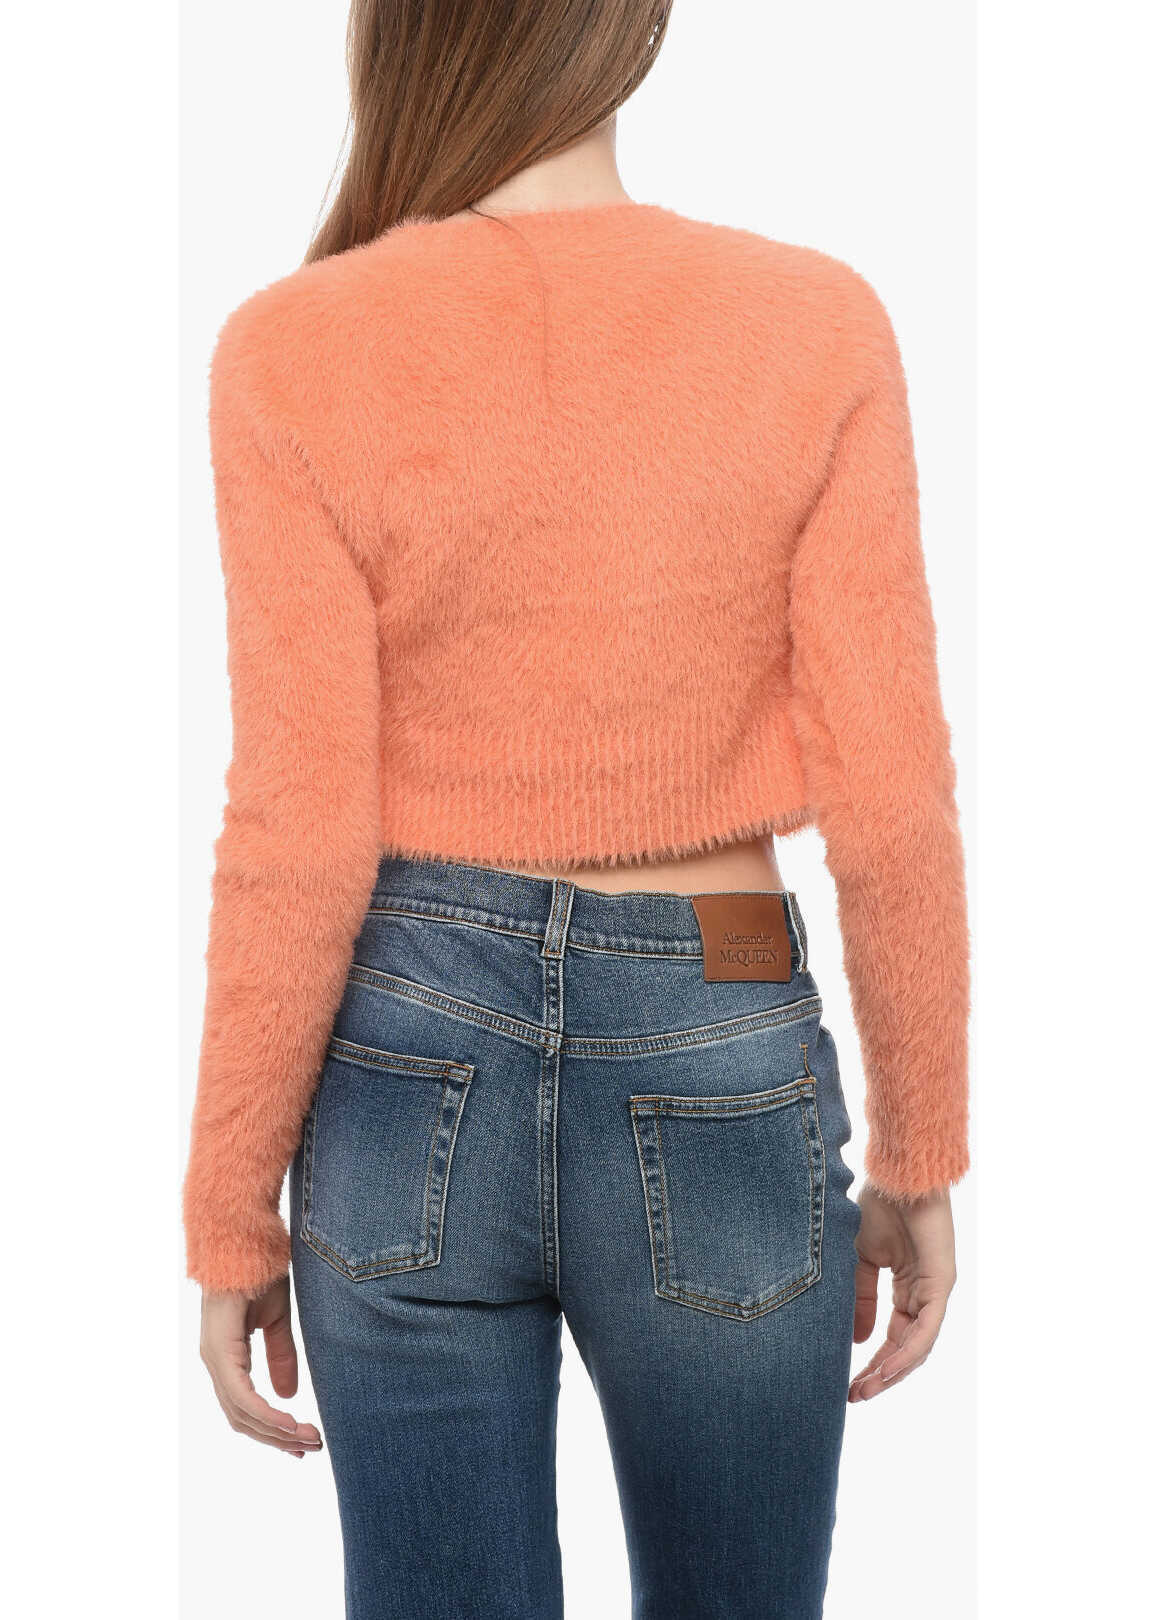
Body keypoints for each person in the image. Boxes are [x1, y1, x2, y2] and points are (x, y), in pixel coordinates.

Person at [184, 3, 970, 1614]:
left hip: (404, 1043)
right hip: (720, 997)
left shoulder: (293, 347)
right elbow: (894, 799)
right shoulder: (810, 326)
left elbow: (293, 829)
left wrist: (227, 1209)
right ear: (630, 31)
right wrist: (922, 1147)